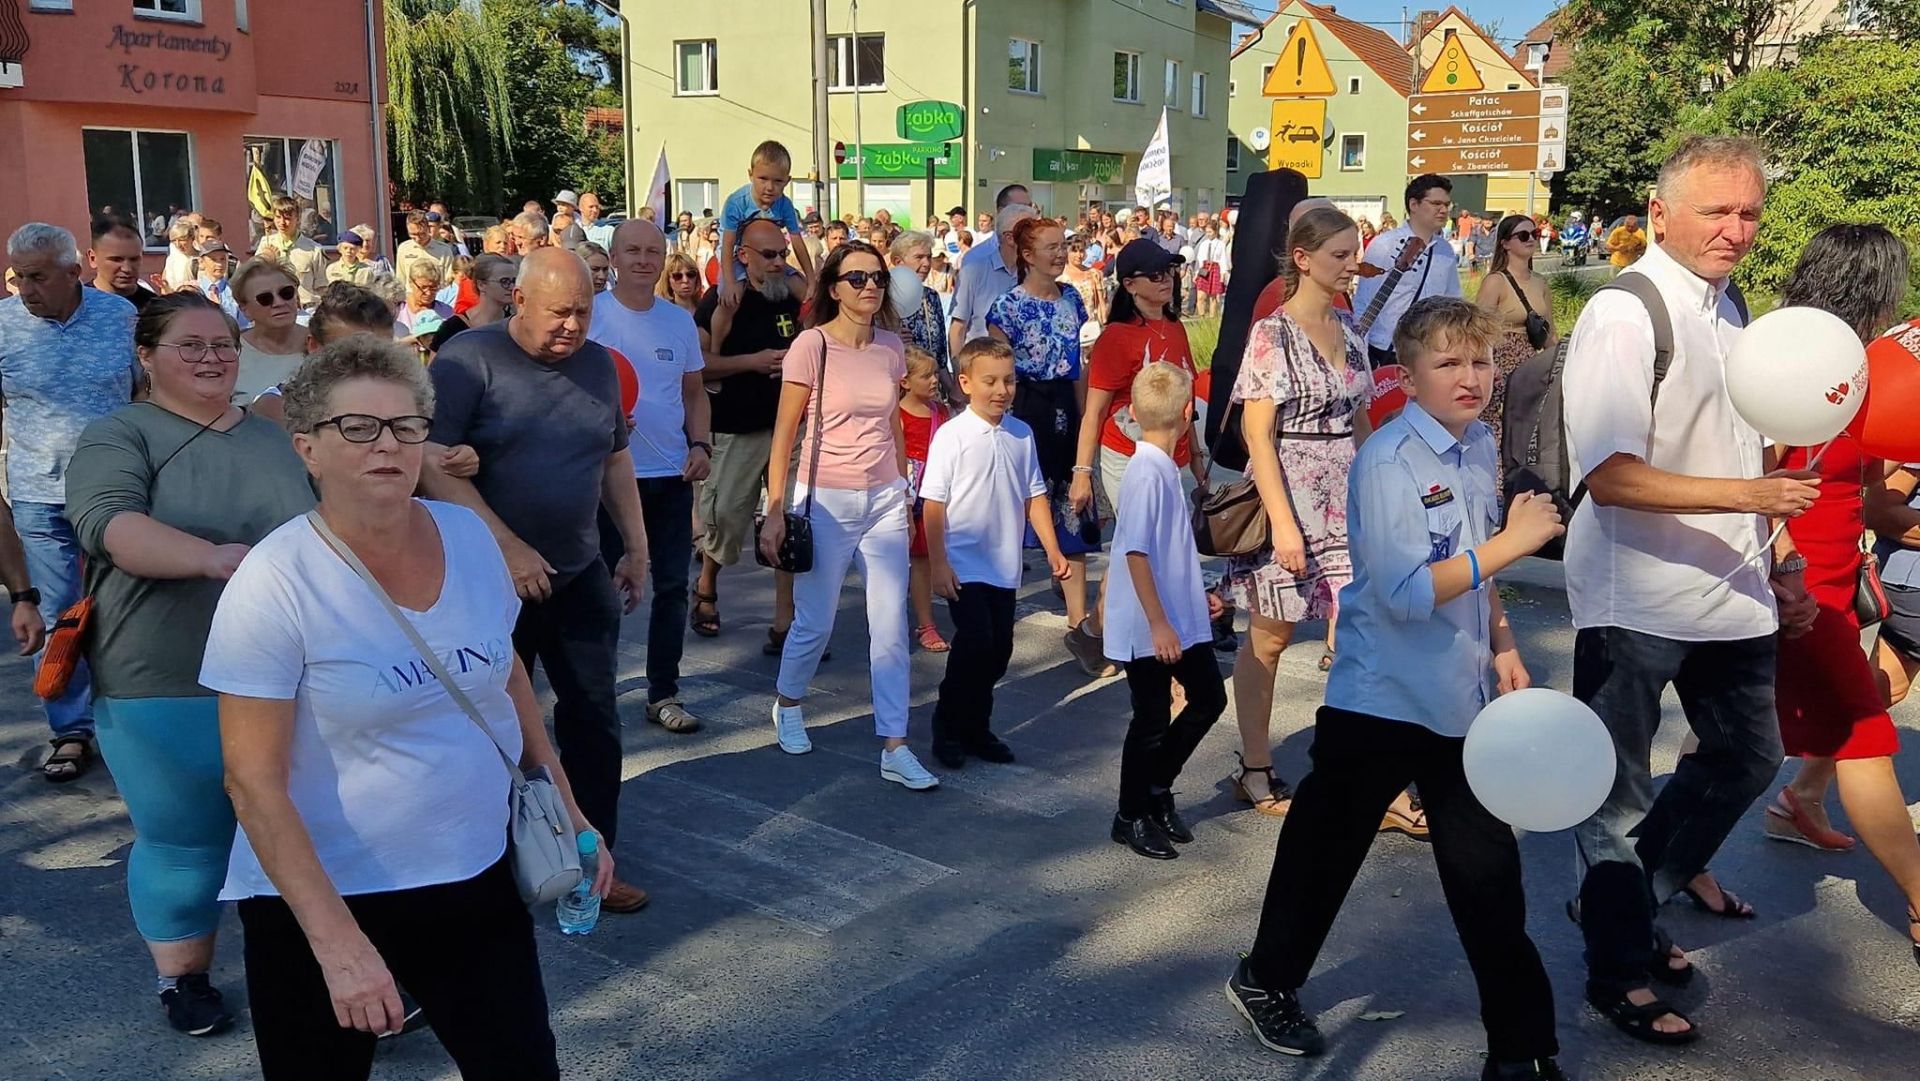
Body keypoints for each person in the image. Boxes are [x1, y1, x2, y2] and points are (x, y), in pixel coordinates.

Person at [203, 336, 607, 1079]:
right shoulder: (275, 580)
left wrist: (571, 811)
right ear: (308, 447)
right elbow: (250, 783)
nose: (385, 444)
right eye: (356, 427)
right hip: (327, 895)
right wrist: (340, 945)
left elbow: (506, 675)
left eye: (405, 426)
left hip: (474, 877)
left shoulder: (470, 538)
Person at [1226, 297, 1569, 1081]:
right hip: (1379, 700)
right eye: (1448, 363)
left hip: (1459, 701)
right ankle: (1265, 978)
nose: (1470, 377)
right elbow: (1409, 593)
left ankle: (1522, 1049)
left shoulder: (1479, 444)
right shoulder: (1385, 461)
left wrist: (1505, 642)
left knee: (1489, 879)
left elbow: (1474, 555)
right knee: (1323, 856)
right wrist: (1515, 545)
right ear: (1407, 377)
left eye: (1481, 361)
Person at [1563, 136, 1814, 1046]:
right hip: (1635, 600)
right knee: (1614, 799)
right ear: (1661, 214)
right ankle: (1619, 968)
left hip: (1733, 589)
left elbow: (1744, 448)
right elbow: (1613, 476)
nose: (1736, 230)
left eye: (1749, 212)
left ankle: (1626, 903)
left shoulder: (1732, 305)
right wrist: (1752, 497)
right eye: (1716, 211)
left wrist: (1778, 559)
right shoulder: (1626, 316)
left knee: (1750, 756)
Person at [64, 292, 316, 1037]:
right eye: (190, 344)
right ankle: (185, 979)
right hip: (162, 672)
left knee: (305, 829)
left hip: (286, 671)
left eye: (223, 344)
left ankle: (334, 971)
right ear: (145, 355)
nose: (212, 356)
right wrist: (212, 560)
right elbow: (111, 526)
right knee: (186, 841)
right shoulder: (120, 434)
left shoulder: (272, 435)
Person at [419, 247, 653, 914]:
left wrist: (635, 548)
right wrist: (508, 547)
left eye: (583, 311)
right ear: (518, 300)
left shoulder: (599, 365)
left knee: (594, 720)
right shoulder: (468, 360)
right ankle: (491, 873)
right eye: (559, 313)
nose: (572, 326)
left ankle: (592, 860)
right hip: (486, 580)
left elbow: (614, 459)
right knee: (490, 726)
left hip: (577, 570)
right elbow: (430, 461)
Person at [1757, 226, 1920, 956]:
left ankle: (1797, 803)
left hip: (1825, 580)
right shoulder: (1790, 364)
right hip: (1794, 586)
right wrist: (1783, 564)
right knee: (1867, 735)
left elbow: (1873, 497)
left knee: (1740, 737)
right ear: (1877, 291)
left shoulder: (1860, 372)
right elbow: (1752, 475)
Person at [1223, 207, 1392, 826]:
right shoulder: (1273, 333)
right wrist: (1285, 524)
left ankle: (1365, 774)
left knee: (1360, 636)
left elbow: (1364, 418)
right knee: (1269, 639)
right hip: (1288, 494)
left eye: (1355, 253)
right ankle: (1256, 764)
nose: (1353, 265)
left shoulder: (1349, 329)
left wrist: (1381, 491)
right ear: (1303, 258)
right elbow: (1257, 434)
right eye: (1341, 255)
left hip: (1347, 493)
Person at [757, 241, 937, 790]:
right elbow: (786, 431)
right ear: (833, 287)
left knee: (889, 626)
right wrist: (774, 509)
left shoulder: (890, 347)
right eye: (857, 278)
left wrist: (905, 498)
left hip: (884, 495)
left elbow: (893, 426)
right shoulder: (811, 346)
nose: (870, 287)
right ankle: (789, 702)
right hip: (826, 499)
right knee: (816, 618)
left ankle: (895, 744)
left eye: (877, 278)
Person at [1, 222, 139, 781]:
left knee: (125, 608)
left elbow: (143, 394)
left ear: (73, 272)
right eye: (17, 277)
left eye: (37, 277)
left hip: (114, 489)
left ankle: (129, 720)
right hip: (37, 490)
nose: (26, 289)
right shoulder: (3, 326)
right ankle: (70, 731)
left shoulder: (120, 318)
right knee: (60, 613)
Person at [590, 220, 712, 736]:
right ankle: (593, 692)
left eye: (652, 251)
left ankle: (663, 692)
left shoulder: (679, 321)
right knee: (598, 590)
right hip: (605, 476)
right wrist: (602, 419)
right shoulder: (591, 316)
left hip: (669, 474)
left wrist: (702, 445)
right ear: (613, 257)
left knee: (672, 589)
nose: (643, 259)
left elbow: (694, 393)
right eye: (633, 250)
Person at [921, 336, 1065, 771]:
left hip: (1004, 564)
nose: (1001, 390)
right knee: (975, 643)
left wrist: (1054, 551)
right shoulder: (952, 435)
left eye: (1009, 380)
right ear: (965, 382)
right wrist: (939, 562)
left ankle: (976, 726)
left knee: (1000, 647)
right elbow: (932, 503)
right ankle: (948, 727)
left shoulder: (1021, 434)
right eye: (990, 381)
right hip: (964, 563)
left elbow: (1034, 495)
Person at [1104, 362, 1229, 860]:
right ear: (1187, 413)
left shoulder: (1161, 468)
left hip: (1177, 614)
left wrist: (1197, 596)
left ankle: (1155, 789)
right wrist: (1158, 622)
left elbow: (1168, 550)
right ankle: (1130, 813)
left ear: (1133, 412)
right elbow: (1136, 551)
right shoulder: (1145, 473)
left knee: (1207, 700)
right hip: (1150, 624)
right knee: (1151, 717)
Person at [1069, 238, 1207, 668]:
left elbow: (1186, 399)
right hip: (1127, 455)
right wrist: (1081, 471)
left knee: (1146, 550)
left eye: (1169, 272)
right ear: (1130, 284)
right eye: (1155, 274)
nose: (1166, 280)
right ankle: (1142, 639)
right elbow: (1093, 411)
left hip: (1174, 454)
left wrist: (1198, 457)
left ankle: (1095, 630)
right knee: (1140, 547)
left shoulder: (1176, 328)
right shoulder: (1117, 337)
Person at [986, 216, 1100, 669]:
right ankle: (995, 613)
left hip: (1065, 407)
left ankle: (1079, 625)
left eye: (1063, 244)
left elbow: (1078, 364)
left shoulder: (1073, 296)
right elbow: (999, 373)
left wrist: (1084, 416)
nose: (1060, 254)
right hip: (1023, 408)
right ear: (1027, 255)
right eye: (1050, 247)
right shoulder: (1006, 308)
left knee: (1072, 507)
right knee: (1013, 513)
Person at [1353, 175, 1462, 370]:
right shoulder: (1385, 244)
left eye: (1447, 204)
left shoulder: (1445, 250)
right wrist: (1360, 356)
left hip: (1429, 351)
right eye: (1436, 203)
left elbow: (1453, 301)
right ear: (1414, 204)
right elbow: (1363, 301)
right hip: (1386, 351)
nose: (1444, 210)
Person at [1473, 214, 1556, 451]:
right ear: (1505, 243)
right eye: (1523, 235)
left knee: (1526, 431)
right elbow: (1479, 329)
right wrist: (1487, 366)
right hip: (1499, 361)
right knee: (1496, 430)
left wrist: (1561, 364)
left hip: (1530, 363)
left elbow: (1550, 333)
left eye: (1535, 234)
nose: (1531, 239)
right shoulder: (1495, 282)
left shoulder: (1540, 282)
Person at [716, 140, 818, 308]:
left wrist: (811, 279)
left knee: (804, 291)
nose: (769, 187)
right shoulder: (736, 202)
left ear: (787, 180)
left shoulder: (785, 205)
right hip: (734, 255)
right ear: (750, 175)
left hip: (770, 256)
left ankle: (807, 331)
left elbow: (797, 241)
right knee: (730, 300)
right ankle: (718, 334)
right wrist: (729, 281)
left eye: (778, 181)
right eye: (763, 179)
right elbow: (727, 245)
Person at [899, 347, 951, 653]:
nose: (934, 380)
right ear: (904, 382)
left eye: (935, 373)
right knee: (920, 560)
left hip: (941, 492)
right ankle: (925, 622)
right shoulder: (898, 415)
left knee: (940, 554)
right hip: (912, 497)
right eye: (926, 375)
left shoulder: (941, 412)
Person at [234, 259, 311, 405]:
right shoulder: (231, 351)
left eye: (286, 293)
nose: (279, 303)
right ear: (245, 310)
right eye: (265, 298)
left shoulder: (322, 342)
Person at [888, 230, 951, 383]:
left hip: (930, 389)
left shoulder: (931, 297)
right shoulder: (881, 296)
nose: (927, 264)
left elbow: (940, 356)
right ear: (898, 261)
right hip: (896, 387)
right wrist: (891, 339)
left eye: (929, 257)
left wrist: (950, 390)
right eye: (919, 257)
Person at [428, 253, 513, 356]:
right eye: (504, 281)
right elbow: (432, 368)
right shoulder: (454, 327)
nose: (512, 287)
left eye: (514, 281)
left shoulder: (515, 326)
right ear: (481, 285)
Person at [259, 196, 327, 307]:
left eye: (287, 218)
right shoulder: (265, 244)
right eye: (278, 217)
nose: (282, 223)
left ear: (298, 218)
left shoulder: (314, 249)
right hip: (275, 308)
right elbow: (255, 280)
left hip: (305, 311)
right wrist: (266, 260)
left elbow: (322, 288)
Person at [89, 216, 159, 311]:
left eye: (134, 259)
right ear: (93, 258)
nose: (127, 269)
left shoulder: (155, 309)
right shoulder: (73, 308)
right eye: (116, 260)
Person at [395, 210, 457, 290]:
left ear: (428, 228)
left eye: (422, 233)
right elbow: (400, 279)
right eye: (413, 234)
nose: (418, 238)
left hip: (437, 297)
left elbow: (449, 281)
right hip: (411, 298)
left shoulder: (444, 250)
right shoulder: (403, 249)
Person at [398, 261, 454, 343]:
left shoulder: (447, 312)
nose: (428, 293)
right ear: (410, 283)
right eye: (423, 287)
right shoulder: (398, 311)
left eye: (433, 287)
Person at [1060, 235, 1106, 332]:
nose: (1079, 255)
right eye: (1074, 251)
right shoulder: (1060, 277)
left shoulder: (1093, 273)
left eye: (1081, 251)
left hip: (1091, 327)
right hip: (1069, 328)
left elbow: (1101, 303)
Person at [1192, 221, 1228, 319]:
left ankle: (1212, 318)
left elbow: (1223, 260)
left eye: (1210, 232)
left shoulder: (1220, 244)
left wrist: (1222, 274)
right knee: (1200, 296)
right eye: (1207, 232)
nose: (1208, 234)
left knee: (1213, 297)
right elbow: (1199, 259)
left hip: (1215, 269)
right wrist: (1196, 274)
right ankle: (1202, 316)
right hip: (1204, 269)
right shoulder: (1204, 244)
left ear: (1215, 232)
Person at [163, 220, 200, 292]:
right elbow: (170, 288)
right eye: (174, 240)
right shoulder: (172, 260)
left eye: (182, 240)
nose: (178, 244)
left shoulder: (203, 258)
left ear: (192, 238)